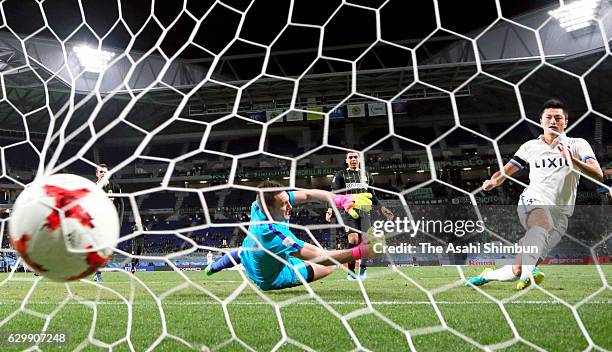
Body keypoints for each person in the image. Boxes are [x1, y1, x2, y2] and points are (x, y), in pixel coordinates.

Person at [466, 99, 603, 290]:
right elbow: (506, 171)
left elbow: (598, 173)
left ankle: (489, 275)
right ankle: (530, 274)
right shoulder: (530, 146)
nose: (553, 121)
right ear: (541, 121)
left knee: (518, 269)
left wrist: (572, 161)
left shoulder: (578, 145)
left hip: (561, 213)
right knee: (541, 224)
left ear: (566, 122)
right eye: (549, 117)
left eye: (558, 118)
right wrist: (494, 181)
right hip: (533, 199)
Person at [205, 180, 383, 291]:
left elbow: (307, 194)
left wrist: (340, 199)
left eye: (287, 200)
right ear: (268, 210)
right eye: (283, 205)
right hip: (271, 277)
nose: (289, 206)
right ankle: (220, 265)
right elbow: (321, 258)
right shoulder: (275, 236)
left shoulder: (258, 204)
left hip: (251, 253)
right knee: (329, 267)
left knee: (243, 251)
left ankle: (212, 268)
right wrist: (361, 252)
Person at [326, 151, 394, 281]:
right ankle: (351, 271)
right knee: (353, 240)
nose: (353, 159)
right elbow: (334, 194)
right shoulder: (341, 175)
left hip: (364, 213)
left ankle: (363, 268)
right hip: (349, 212)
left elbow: (373, 195)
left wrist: (383, 208)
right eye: (350, 157)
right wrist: (330, 209)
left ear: (359, 160)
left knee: (366, 240)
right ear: (347, 160)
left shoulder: (366, 175)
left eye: (355, 157)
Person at [94, 164, 125, 282]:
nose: (103, 174)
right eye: (100, 172)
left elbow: (121, 203)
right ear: (97, 174)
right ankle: (97, 273)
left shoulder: (115, 187)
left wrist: (120, 219)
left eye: (105, 172)